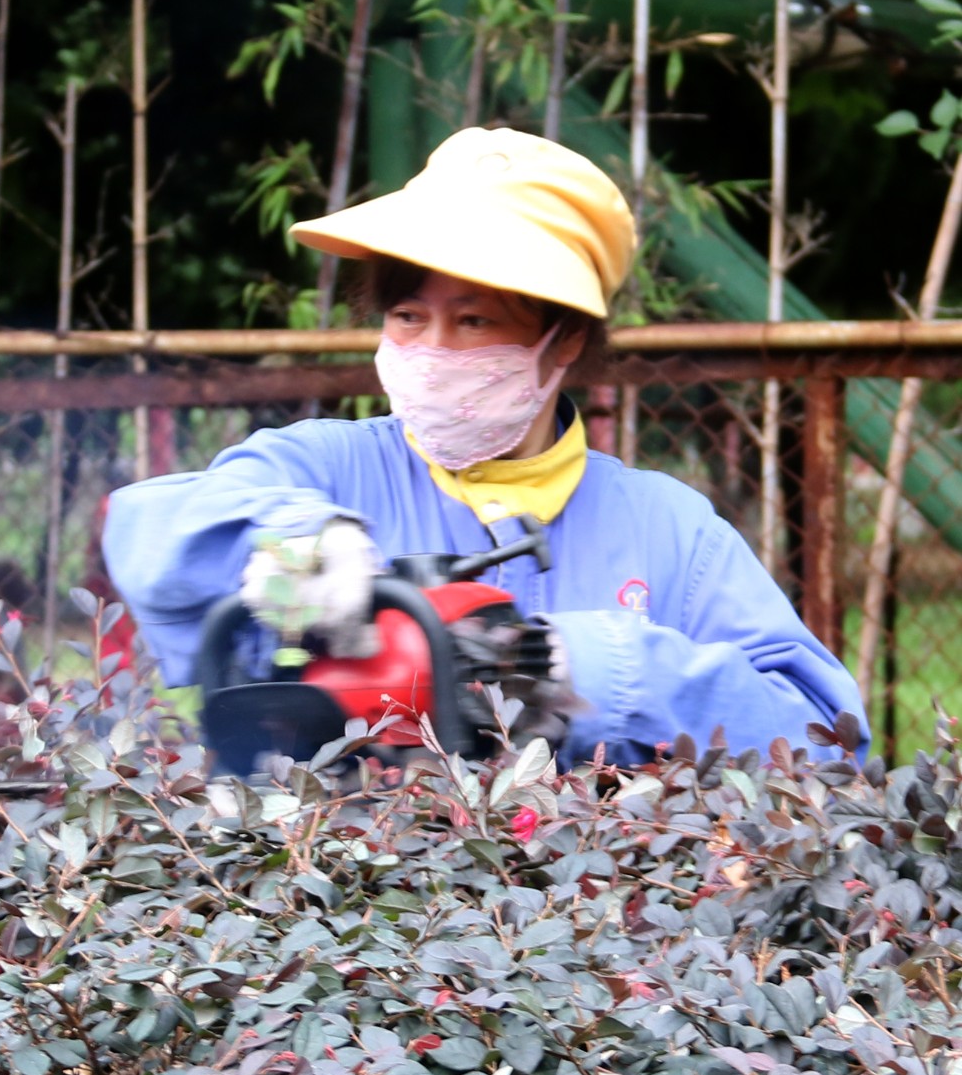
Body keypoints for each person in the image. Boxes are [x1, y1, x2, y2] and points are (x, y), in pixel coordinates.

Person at [102, 127, 867, 768]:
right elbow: (154, 526)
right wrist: (294, 544)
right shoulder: (324, 470)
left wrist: (582, 669)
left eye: (473, 321)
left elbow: (825, 738)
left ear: (564, 338)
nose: (431, 349)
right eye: (408, 316)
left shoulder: (668, 530)